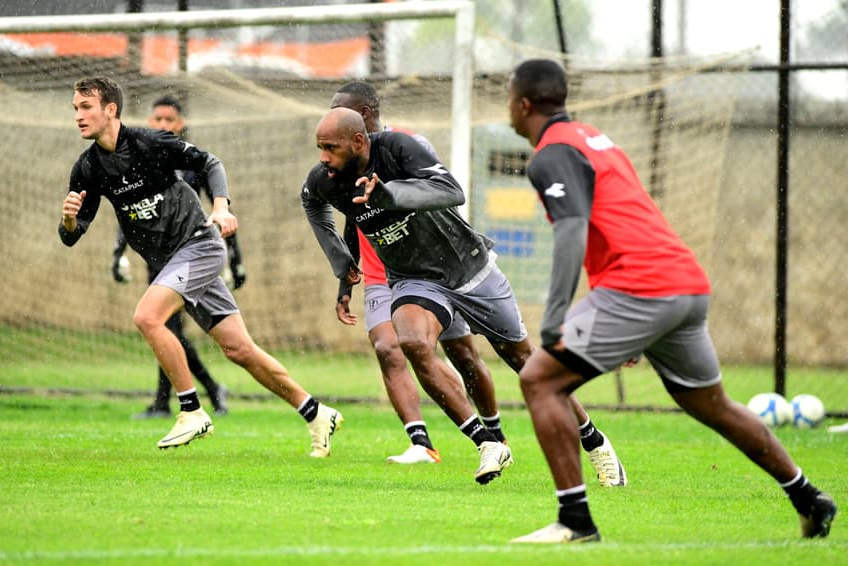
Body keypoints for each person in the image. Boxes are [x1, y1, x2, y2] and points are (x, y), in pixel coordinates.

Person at [505, 58, 836, 543]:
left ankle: (574, 521)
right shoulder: (596, 139)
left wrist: (554, 319)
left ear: (524, 104)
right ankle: (808, 497)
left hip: (639, 286)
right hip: (682, 284)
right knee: (713, 404)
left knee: (539, 380)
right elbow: (619, 223)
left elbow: (573, 231)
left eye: (508, 100)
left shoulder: (551, 154)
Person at [301, 106, 625, 486]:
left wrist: (390, 193)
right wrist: (340, 260)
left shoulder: (399, 149)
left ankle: (595, 441)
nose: (323, 156)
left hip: (468, 267)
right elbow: (311, 202)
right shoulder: (326, 178)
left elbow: (451, 191)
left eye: (330, 147)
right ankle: (487, 443)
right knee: (411, 342)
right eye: (319, 147)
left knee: (526, 363)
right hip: (414, 278)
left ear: (358, 140)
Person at [59, 76, 342, 456]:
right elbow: (73, 234)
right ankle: (316, 412)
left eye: (86, 107)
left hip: (199, 245)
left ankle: (191, 409)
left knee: (147, 317)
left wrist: (221, 206)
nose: (78, 115)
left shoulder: (149, 141)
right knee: (240, 350)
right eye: (75, 108)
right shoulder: (88, 169)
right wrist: (69, 221)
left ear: (111, 109)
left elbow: (210, 161)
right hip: (171, 263)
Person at [329, 80, 506, 465]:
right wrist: (346, 278)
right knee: (389, 347)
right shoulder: (339, 161)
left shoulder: (406, 146)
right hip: (381, 275)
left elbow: (439, 196)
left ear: (364, 117)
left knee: (463, 355)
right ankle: (422, 443)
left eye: (339, 109)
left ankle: (495, 435)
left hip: (432, 271)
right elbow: (352, 213)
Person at [112, 95, 237, 420]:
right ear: (150, 122)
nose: (163, 125)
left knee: (167, 327)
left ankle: (182, 397)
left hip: (192, 255)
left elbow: (221, 209)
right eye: (158, 120)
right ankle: (191, 394)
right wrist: (118, 252)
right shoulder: (140, 159)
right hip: (157, 258)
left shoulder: (191, 163)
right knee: (164, 327)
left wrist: (236, 259)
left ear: (180, 124)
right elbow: (131, 211)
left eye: (170, 120)